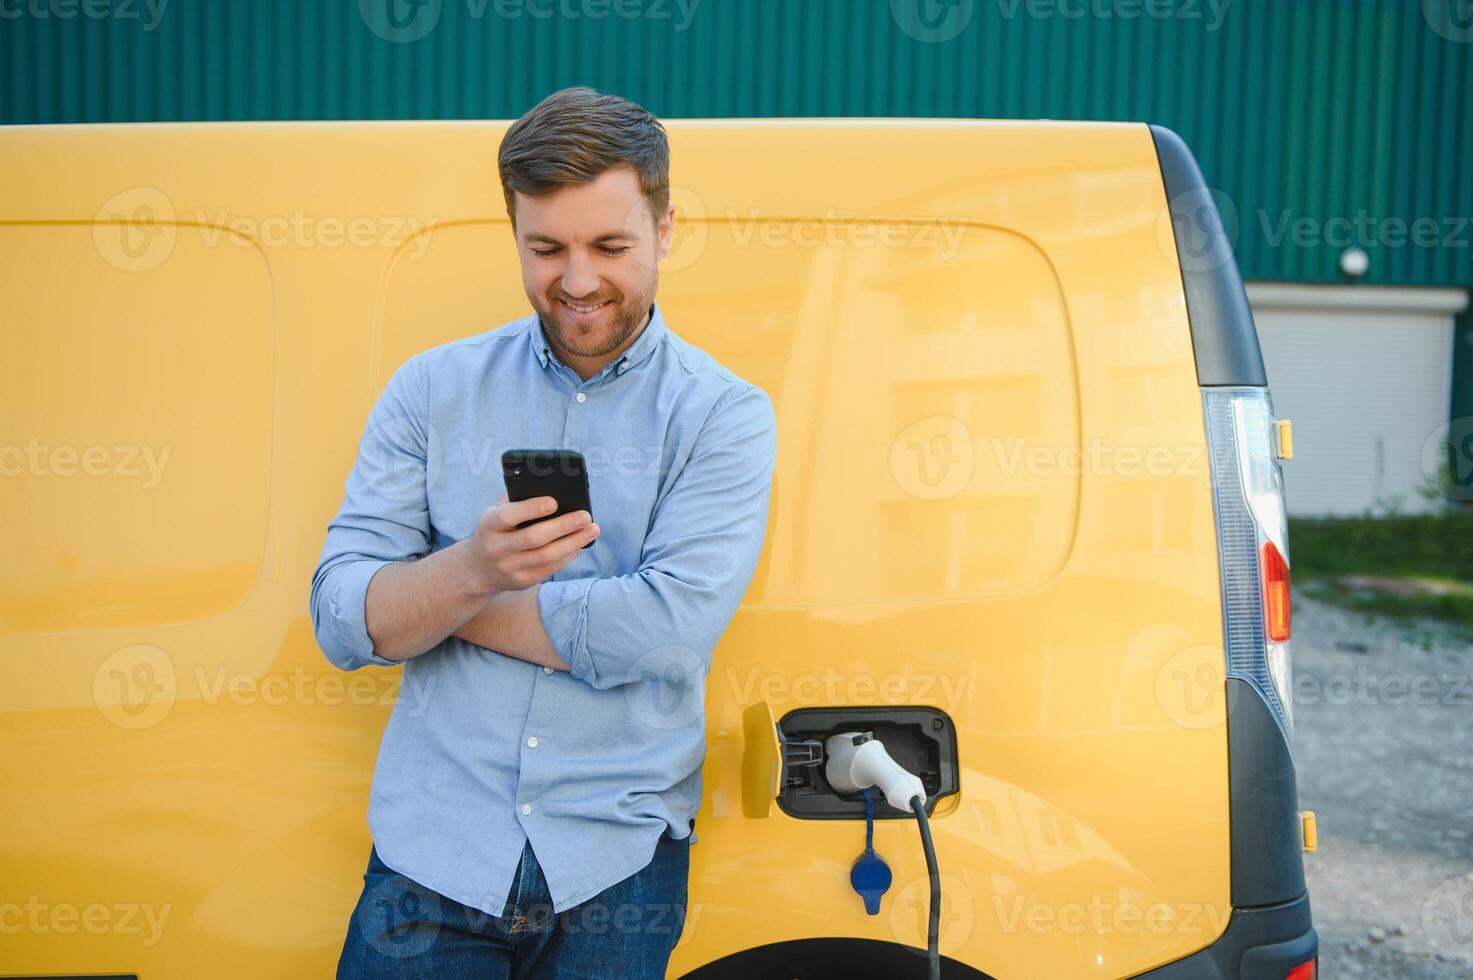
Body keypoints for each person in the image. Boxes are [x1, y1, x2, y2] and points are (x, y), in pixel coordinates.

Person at [310, 85, 778, 979]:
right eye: (545, 248)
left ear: (665, 229)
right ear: (514, 234)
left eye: (610, 246)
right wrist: (473, 567)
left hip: (618, 868)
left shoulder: (724, 415)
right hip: (432, 858)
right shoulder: (430, 389)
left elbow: (667, 631)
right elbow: (340, 619)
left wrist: (446, 590)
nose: (576, 280)